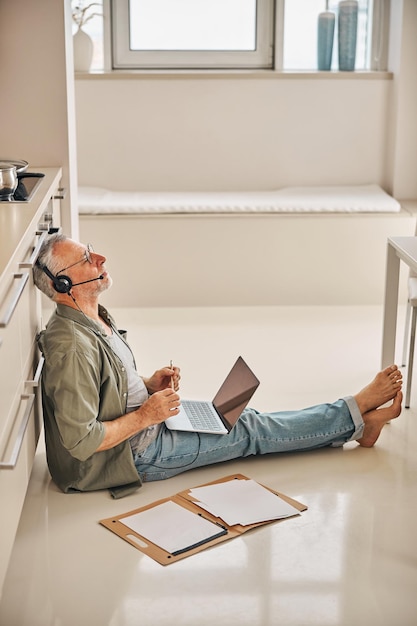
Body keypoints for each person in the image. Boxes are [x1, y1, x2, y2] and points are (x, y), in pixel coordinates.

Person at [33, 234, 403, 498]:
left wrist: (147, 384)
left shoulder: (93, 317)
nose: (101, 260)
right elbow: (81, 441)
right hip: (137, 453)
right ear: (64, 283)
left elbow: (102, 386)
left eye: (92, 251)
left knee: (237, 415)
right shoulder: (71, 348)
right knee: (251, 429)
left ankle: (359, 426)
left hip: (144, 428)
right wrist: (147, 415)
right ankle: (354, 412)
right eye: (87, 259)